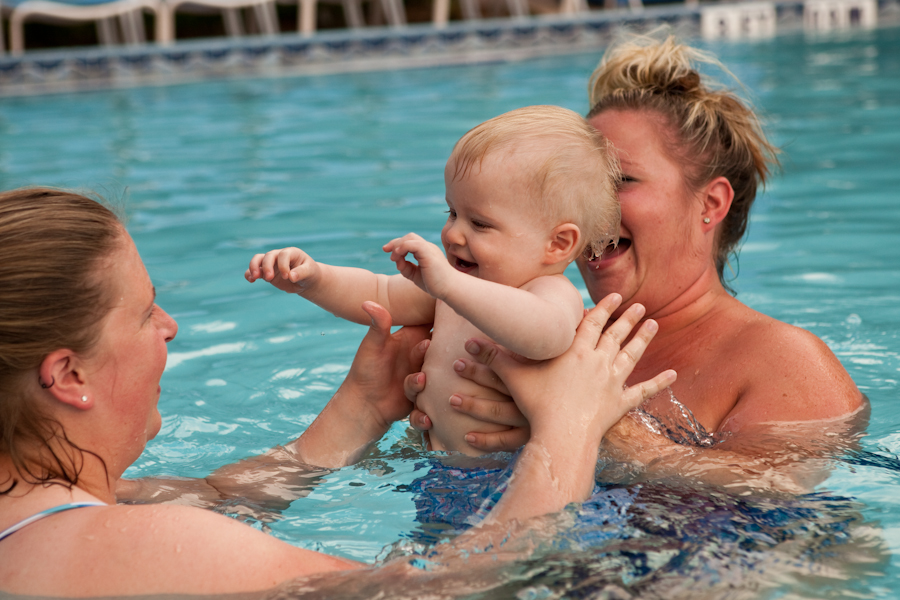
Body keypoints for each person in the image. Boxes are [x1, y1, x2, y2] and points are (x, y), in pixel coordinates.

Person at [0, 187, 674, 596]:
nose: (170, 328)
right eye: (147, 312)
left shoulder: (52, 520)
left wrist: (361, 407)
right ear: (69, 376)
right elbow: (455, 592)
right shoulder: (145, 545)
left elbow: (216, 499)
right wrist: (569, 427)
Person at [407, 34, 865, 490]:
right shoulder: (540, 338)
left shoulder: (785, 360)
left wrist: (593, 424)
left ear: (711, 203)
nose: (591, 212)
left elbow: (803, 514)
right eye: (578, 189)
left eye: (618, 181)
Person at [245, 105, 621, 456]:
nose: (453, 234)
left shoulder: (550, 294)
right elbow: (378, 292)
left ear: (558, 244)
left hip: (507, 479)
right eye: (452, 212)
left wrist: (449, 286)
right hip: (436, 472)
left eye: (480, 223)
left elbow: (545, 336)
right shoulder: (450, 288)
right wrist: (314, 279)